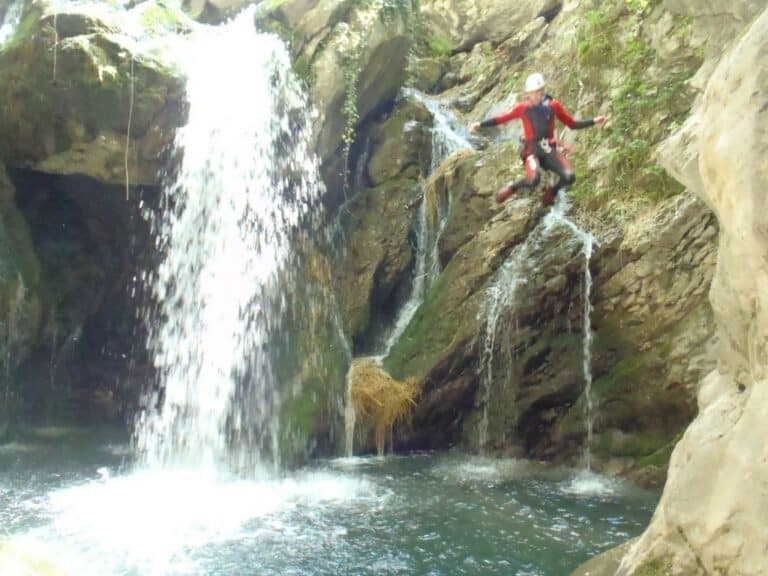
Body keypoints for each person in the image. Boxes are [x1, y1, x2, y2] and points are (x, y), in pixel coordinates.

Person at [470, 73, 608, 206]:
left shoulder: (553, 106)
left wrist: (594, 121)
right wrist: (480, 124)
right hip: (532, 150)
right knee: (533, 179)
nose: (537, 95)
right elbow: (501, 118)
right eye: (533, 92)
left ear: (543, 90)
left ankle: (552, 192)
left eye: (539, 91)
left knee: (569, 176)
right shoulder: (522, 108)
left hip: (548, 149)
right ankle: (513, 186)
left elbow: (571, 124)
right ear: (528, 94)